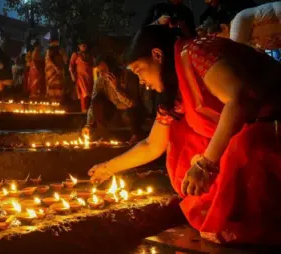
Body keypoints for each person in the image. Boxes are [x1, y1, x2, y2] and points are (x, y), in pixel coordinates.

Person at [89, 25, 281, 244]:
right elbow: (153, 144)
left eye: (139, 70)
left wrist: (206, 164)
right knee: (181, 134)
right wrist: (107, 168)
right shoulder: (175, 93)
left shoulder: (195, 52)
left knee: (225, 143)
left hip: (271, 125)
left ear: (157, 55)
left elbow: (239, 100)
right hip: (250, 131)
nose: (141, 81)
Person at [82, 56, 145, 143]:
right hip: (113, 108)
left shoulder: (128, 75)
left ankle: (136, 136)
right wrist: (88, 124)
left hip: (130, 109)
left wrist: (117, 88)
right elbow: (94, 103)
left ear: (112, 68)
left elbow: (131, 103)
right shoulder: (101, 80)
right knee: (97, 101)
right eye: (99, 71)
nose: (102, 74)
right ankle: (104, 136)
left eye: (104, 70)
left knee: (131, 112)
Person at [208, 1, 281, 52]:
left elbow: (238, 53)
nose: (218, 43)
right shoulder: (247, 38)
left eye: (216, 37)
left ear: (224, 27)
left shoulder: (237, 22)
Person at [70, 40, 94, 112]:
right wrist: (72, 75)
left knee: (89, 95)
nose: (84, 47)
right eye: (82, 45)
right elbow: (71, 66)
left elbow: (93, 65)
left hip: (89, 78)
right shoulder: (76, 55)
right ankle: (84, 111)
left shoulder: (90, 56)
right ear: (79, 46)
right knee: (84, 94)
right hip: (81, 77)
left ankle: (88, 112)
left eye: (85, 46)